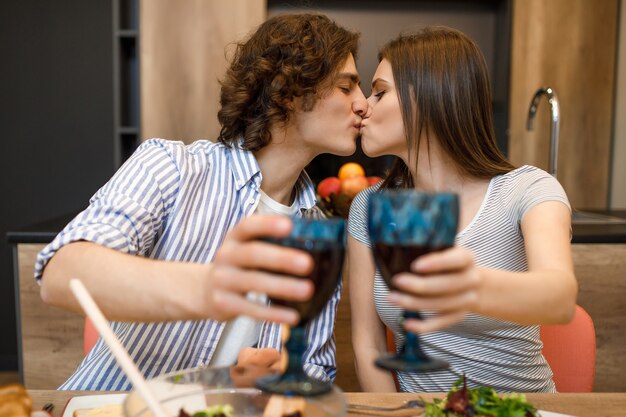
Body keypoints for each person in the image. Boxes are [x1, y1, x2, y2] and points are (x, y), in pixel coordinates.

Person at [35, 13, 368, 390]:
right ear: (288, 93)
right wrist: (207, 288)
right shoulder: (172, 167)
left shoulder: (321, 231)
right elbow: (60, 274)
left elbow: (313, 372)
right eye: (346, 87)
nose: (364, 104)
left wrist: (275, 375)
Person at [348, 26, 577, 393]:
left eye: (379, 92)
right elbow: (368, 346)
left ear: (428, 96)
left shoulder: (527, 189)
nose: (362, 106)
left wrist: (468, 285)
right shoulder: (370, 206)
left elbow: (560, 297)